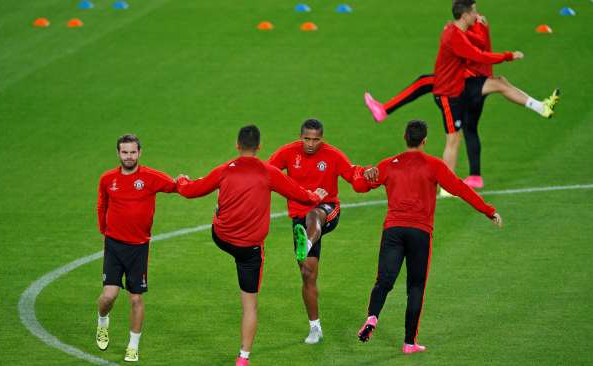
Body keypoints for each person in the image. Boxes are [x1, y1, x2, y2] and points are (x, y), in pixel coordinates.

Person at [365, 0, 560, 190]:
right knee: (459, 129)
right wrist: (508, 55)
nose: (477, 14)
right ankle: (458, 182)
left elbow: (479, 44)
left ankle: (464, 179)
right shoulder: (455, 35)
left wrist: (481, 28)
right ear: (465, 15)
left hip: (462, 85)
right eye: (474, 11)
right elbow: (479, 53)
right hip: (456, 89)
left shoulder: (457, 30)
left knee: (463, 117)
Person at [175, 125, 328, 366]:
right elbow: (299, 194)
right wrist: (316, 196)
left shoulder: (224, 170)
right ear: (259, 147)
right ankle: (243, 358)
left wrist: (182, 181)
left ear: (237, 146)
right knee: (250, 305)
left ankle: (219, 213)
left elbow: (192, 190)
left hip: (222, 237)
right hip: (249, 249)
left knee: (221, 213)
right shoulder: (269, 172)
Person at [353, 120, 502, 353]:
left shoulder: (389, 164)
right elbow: (460, 189)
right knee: (415, 286)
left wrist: (365, 173)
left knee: (384, 280)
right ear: (424, 140)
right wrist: (488, 210)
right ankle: (409, 343)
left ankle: (372, 317)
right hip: (420, 233)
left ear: (405, 137)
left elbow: (359, 187)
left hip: (393, 230)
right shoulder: (434, 165)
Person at [268, 119, 377, 344]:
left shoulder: (333, 155)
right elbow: (266, 172)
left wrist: (367, 172)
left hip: (328, 209)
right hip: (298, 214)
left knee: (314, 215)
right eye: (307, 139)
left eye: (315, 139)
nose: (310, 144)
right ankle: (315, 328)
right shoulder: (288, 153)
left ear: (322, 138)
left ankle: (305, 243)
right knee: (308, 274)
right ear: (300, 137)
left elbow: (352, 172)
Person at [95, 134, 178, 362]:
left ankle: (133, 345)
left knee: (136, 300)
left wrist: (185, 182)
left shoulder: (150, 177)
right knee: (108, 297)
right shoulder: (107, 179)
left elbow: (174, 186)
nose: (129, 156)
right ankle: (102, 322)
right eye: (125, 152)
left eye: (133, 152)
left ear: (139, 153)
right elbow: (102, 205)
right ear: (118, 153)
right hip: (114, 245)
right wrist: (104, 231)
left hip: (138, 248)